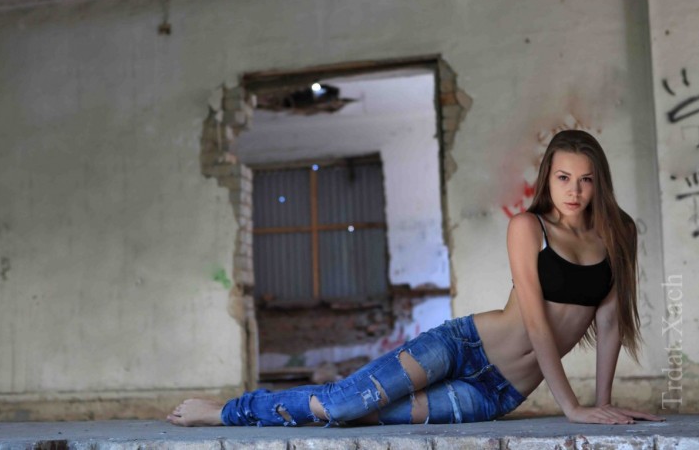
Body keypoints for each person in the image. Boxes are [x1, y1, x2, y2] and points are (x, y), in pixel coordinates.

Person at [167, 130, 663, 427]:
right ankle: (225, 412)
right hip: (464, 345)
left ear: (599, 181)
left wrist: (603, 405)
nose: (574, 191)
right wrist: (572, 408)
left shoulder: (618, 233)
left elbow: (610, 324)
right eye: (563, 178)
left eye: (585, 179)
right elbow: (536, 323)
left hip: (497, 393)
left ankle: (239, 412)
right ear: (548, 178)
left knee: (362, 417)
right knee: (344, 403)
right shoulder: (528, 227)